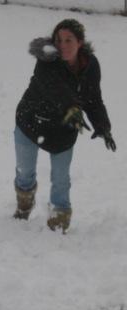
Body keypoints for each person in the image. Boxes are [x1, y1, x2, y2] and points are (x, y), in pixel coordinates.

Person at [14, 18, 116, 233]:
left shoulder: (90, 65)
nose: (63, 45)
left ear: (80, 42)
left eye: (69, 40)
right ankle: (24, 203)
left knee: (61, 179)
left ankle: (60, 217)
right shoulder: (46, 60)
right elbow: (53, 87)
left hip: (63, 129)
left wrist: (103, 125)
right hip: (31, 122)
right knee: (25, 174)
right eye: (59, 40)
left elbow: (92, 98)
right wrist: (70, 107)